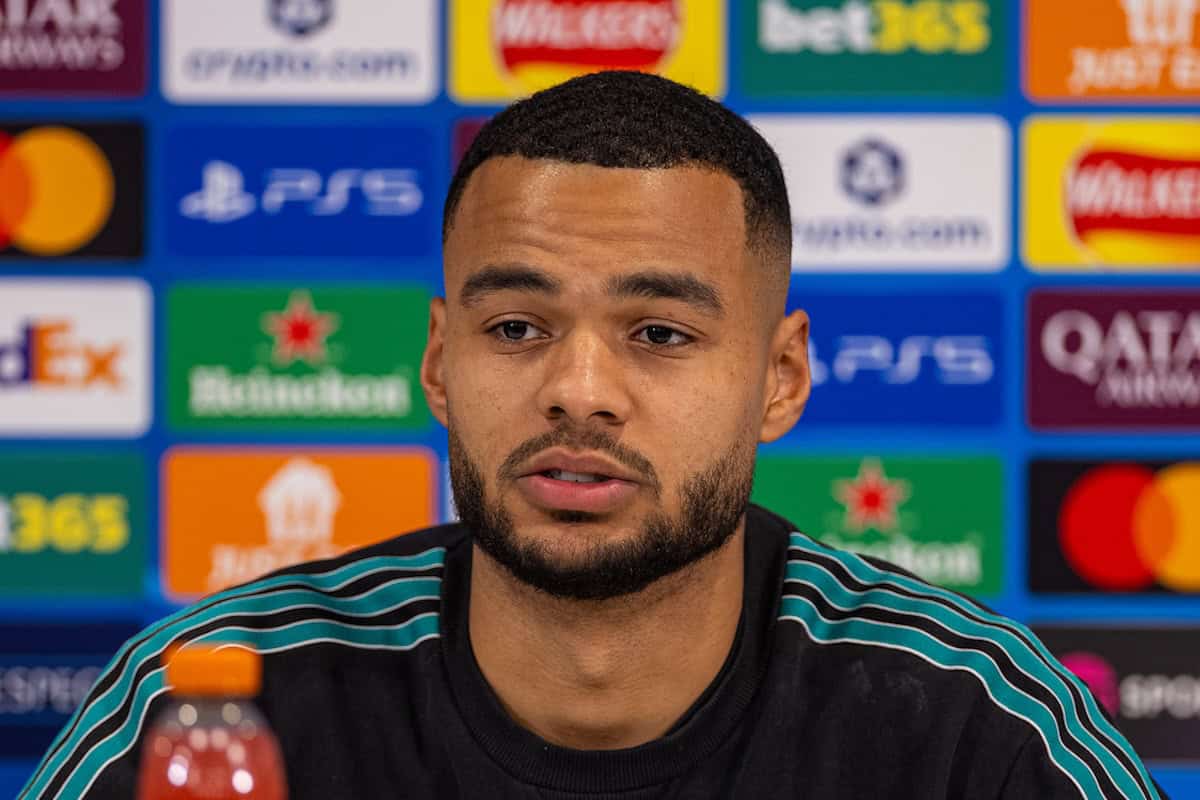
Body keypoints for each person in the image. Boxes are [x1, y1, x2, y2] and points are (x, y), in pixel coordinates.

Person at [21, 71, 1165, 800]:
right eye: (516, 324)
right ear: (436, 361)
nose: (580, 390)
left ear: (780, 377)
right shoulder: (214, 713)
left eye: (660, 333)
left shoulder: (977, 730)